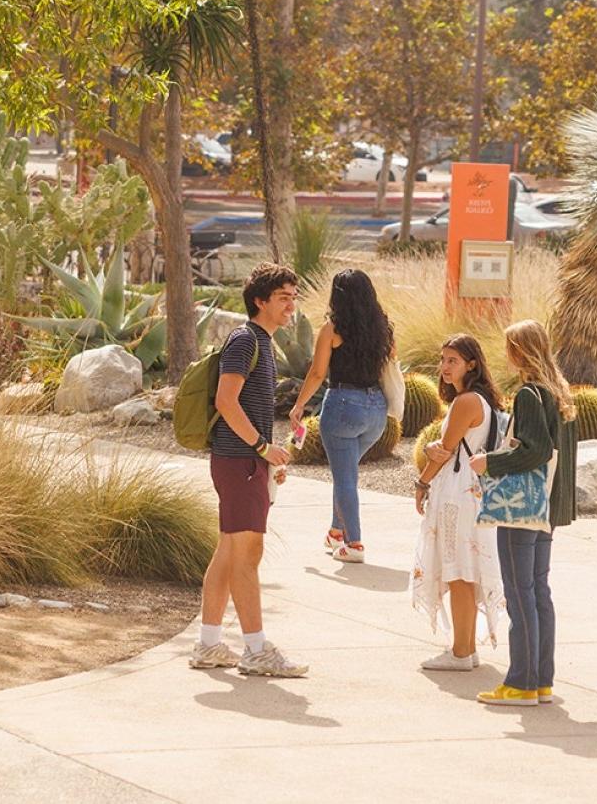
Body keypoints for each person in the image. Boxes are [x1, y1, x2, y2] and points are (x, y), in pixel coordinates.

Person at [189, 263, 308, 678]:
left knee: (229, 553)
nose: (291, 305)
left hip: (244, 462)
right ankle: (256, 649)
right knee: (247, 555)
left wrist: (267, 458)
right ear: (260, 301)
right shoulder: (245, 341)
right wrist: (261, 448)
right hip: (239, 461)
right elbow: (226, 401)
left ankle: (208, 645)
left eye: (294, 296)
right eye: (283, 297)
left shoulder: (258, 342)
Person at [470, 320, 577, 707]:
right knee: (538, 592)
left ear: (519, 351)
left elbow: (534, 450)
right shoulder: (558, 392)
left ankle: (521, 684)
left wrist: (490, 462)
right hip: (545, 508)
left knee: (520, 595)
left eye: (509, 347)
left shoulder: (530, 395)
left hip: (521, 511)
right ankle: (541, 680)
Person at [411, 334, 506, 671]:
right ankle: (465, 648)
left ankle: (461, 653)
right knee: (463, 569)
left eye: (453, 360)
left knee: (458, 571)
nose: (444, 367)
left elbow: (446, 450)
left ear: (472, 364)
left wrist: (422, 481)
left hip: (457, 492)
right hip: (472, 491)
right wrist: (435, 449)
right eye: (443, 359)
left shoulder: (466, 402)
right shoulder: (486, 402)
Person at [289, 269, 394, 564]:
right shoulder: (383, 328)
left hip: (344, 407)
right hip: (377, 412)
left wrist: (299, 405)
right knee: (346, 473)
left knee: (345, 478)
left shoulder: (332, 328)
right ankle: (336, 532)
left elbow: (318, 373)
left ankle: (354, 543)